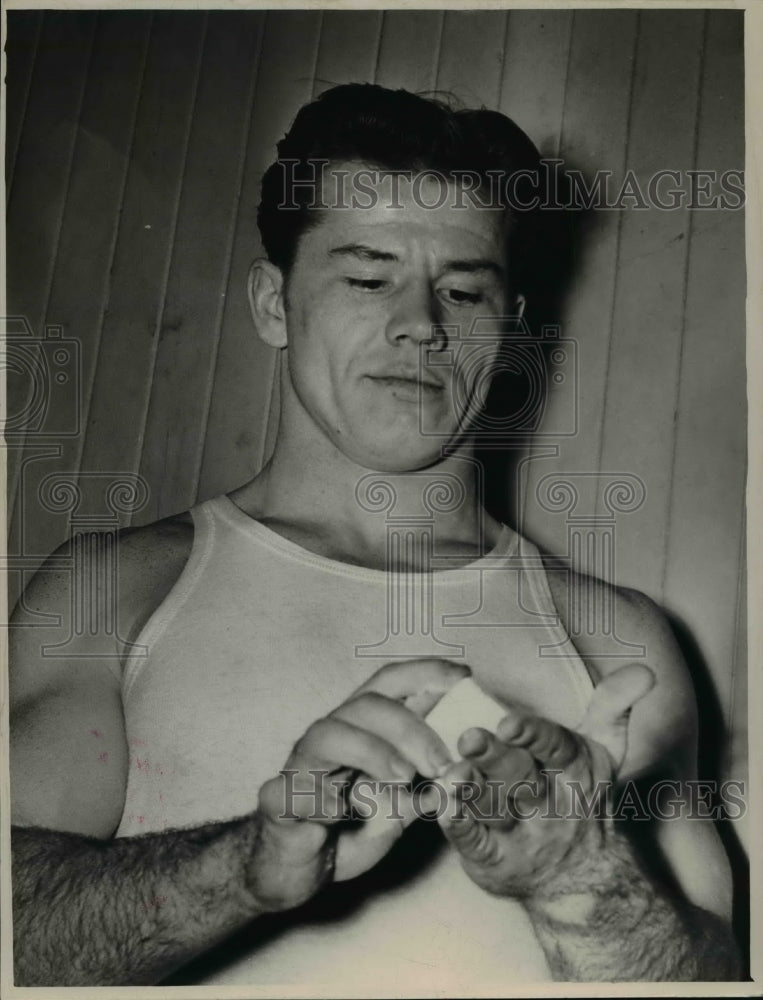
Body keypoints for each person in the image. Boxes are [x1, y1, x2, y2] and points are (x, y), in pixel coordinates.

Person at [9, 83, 740, 987]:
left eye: (463, 290)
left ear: (508, 333)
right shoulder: (116, 591)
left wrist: (580, 880)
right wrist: (239, 871)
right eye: (366, 277)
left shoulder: (619, 644)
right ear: (274, 304)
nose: (421, 327)